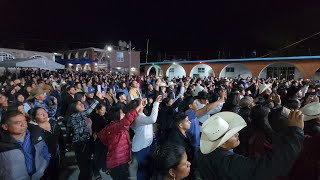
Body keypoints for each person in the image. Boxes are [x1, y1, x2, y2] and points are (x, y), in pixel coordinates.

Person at [196, 110, 304, 180]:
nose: (238, 133)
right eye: (233, 134)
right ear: (223, 144)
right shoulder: (228, 162)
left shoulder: (205, 154)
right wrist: (296, 132)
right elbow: (268, 168)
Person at [98, 99, 143, 180]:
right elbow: (125, 121)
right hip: (117, 162)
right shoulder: (113, 127)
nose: (124, 114)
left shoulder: (117, 127)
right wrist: (138, 107)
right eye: (122, 113)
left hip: (122, 160)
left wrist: (129, 157)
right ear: (116, 115)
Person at [0, 110, 51, 179]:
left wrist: (43, 167)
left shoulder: (36, 135)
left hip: (38, 176)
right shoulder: (2, 144)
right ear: (5, 126)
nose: (23, 124)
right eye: (18, 123)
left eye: (24, 121)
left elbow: (45, 151)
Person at [66, 92, 104, 180]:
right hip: (81, 144)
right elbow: (88, 111)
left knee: (88, 166)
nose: (82, 105)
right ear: (73, 108)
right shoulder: (74, 116)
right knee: (84, 168)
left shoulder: (80, 116)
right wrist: (97, 99)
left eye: (81, 103)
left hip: (87, 141)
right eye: (79, 105)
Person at [131, 95, 161, 180]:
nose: (143, 104)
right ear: (138, 107)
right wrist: (156, 103)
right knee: (143, 170)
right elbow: (152, 120)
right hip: (141, 147)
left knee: (147, 167)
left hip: (146, 144)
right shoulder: (138, 117)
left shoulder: (140, 114)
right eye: (142, 103)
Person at [28, 107, 61, 180]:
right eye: (40, 114)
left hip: (55, 154)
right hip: (43, 159)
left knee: (55, 174)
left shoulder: (53, 122)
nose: (44, 114)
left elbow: (60, 138)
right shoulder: (33, 131)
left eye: (44, 112)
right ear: (34, 118)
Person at [91, 104, 110, 179]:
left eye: (104, 110)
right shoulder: (94, 117)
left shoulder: (105, 116)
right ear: (97, 110)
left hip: (105, 139)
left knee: (104, 154)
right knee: (97, 157)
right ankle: (96, 172)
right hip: (97, 140)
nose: (103, 111)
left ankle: (104, 168)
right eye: (102, 110)